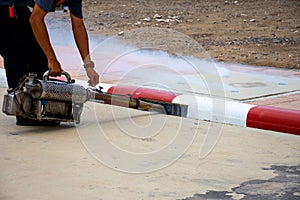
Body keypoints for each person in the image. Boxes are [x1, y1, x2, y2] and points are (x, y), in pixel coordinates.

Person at [29, 0, 100, 87]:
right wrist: (52, 59)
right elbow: (35, 20)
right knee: (21, 66)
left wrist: (89, 66)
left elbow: (78, 26)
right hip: (11, 7)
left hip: (25, 9)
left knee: (40, 71)